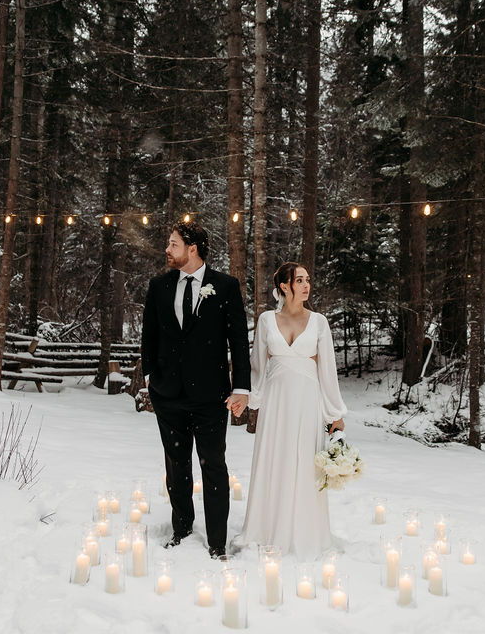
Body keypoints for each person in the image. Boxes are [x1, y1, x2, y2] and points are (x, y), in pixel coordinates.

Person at [141, 221, 250, 559]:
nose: (167, 250)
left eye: (173, 244)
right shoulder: (158, 285)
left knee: (213, 464)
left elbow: (239, 342)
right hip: (168, 393)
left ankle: (217, 541)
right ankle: (182, 528)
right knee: (176, 463)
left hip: (210, 394)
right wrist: (150, 379)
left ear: (192, 249)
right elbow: (149, 335)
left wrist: (242, 387)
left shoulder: (225, 286)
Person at [234, 262, 347, 559]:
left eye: (308, 279)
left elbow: (327, 371)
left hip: (307, 403)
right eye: (300, 280)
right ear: (284, 286)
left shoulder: (319, 322)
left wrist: (335, 413)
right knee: (276, 459)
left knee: (305, 463)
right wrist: (247, 397)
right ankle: (266, 528)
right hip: (276, 403)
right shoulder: (267, 320)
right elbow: (257, 367)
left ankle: (305, 531)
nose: (307, 285)